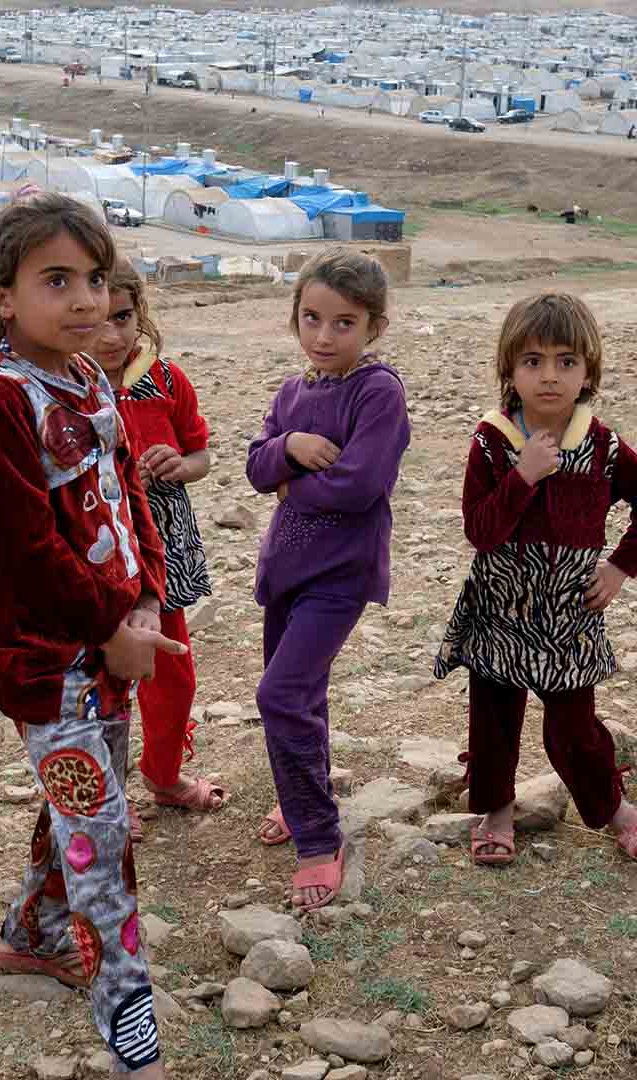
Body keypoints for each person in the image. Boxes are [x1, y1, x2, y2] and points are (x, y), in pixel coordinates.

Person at [0, 194, 177, 1079]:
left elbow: (130, 499)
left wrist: (148, 601)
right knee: (105, 832)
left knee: (86, 800)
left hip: (112, 642)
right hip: (49, 664)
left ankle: (31, 935)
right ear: (5, 297)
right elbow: (28, 552)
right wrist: (110, 628)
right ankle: (132, 1038)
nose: (86, 301)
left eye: (93, 280)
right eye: (57, 281)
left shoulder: (86, 380)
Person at [432, 293, 637, 868]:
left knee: (574, 725)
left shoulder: (603, 446)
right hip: (501, 603)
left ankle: (613, 809)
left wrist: (619, 567)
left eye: (567, 361)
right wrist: (522, 476)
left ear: (588, 370)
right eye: (533, 361)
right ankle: (495, 810)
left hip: (570, 610)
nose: (549, 376)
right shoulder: (492, 441)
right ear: (509, 370)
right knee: (493, 716)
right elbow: (480, 532)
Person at [246, 248, 410, 912]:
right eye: (311, 318)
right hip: (285, 571)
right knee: (303, 697)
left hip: (339, 577)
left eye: (343, 323)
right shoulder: (292, 394)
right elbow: (255, 466)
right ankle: (298, 793)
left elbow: (361, 484)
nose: (323, 336)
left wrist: (292, 482)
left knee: (279, 695)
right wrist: (286, 450)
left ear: (374, 326)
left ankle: (318, 837)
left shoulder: (378, 391)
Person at [93, 258, 225, 833]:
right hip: (95, 553)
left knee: (173, 671)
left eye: (123, 317)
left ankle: (164, 774)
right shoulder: (64, 385)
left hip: (162, 549)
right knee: (101, 677)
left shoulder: (166, 380)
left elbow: (200, 453)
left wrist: (182, 465)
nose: (112, 335)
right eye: (97, 320)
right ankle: (105, 794)